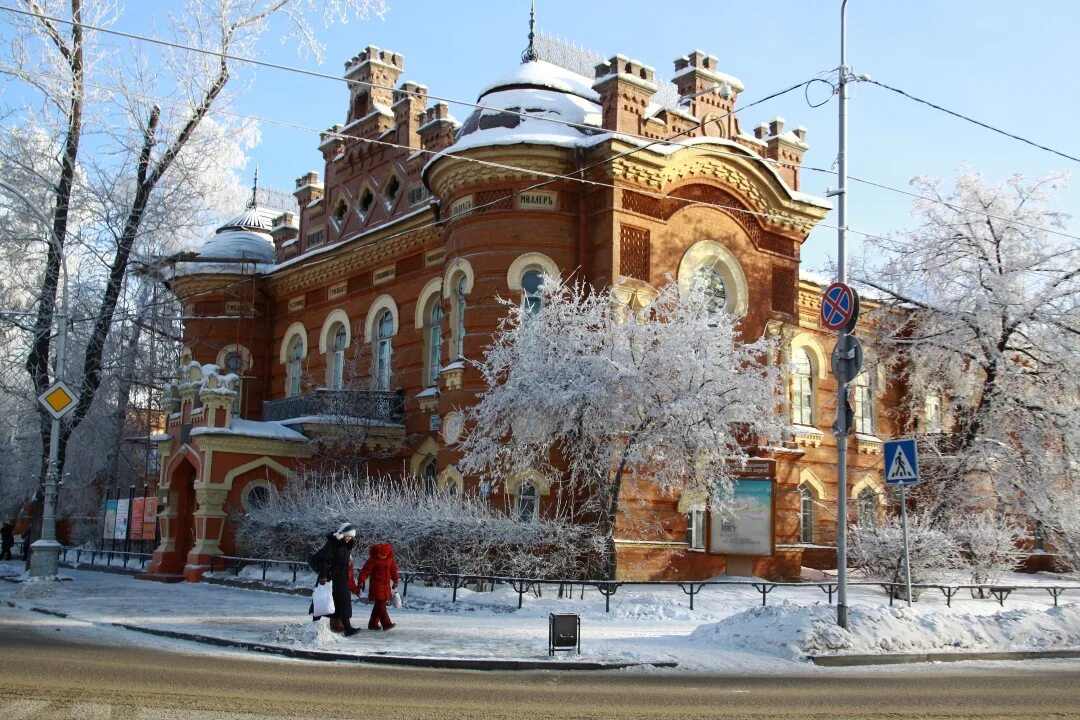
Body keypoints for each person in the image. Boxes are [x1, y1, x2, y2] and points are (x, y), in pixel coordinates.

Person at [310, 522, 361, 636]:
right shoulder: (333, 544)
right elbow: (324, 561)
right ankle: (314, 625)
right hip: (330, 578)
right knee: (323, 601)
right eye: (348, 535)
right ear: (342, 534)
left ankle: (348, 628)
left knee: (343, 603)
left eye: (351, 536)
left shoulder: (347, 545)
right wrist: (323, 577)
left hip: (342, 579)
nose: (349, 538)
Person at [357, 542, 400, 631]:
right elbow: (365, 571)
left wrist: (396, 580)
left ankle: (373, 624)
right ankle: (386, 623)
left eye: (385, 555)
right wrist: (361, 581)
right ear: (378, 553)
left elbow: (394, 571)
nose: (383, 557)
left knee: (378, 605)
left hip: (386, 586)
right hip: (376, 585)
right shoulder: (373, 559)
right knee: (381, 604)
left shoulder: (390, 560)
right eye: (381, 555)